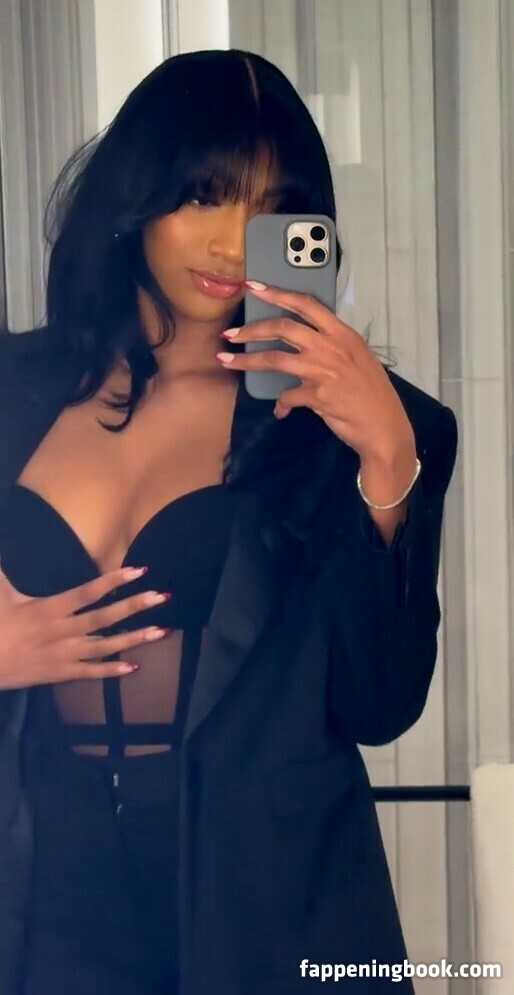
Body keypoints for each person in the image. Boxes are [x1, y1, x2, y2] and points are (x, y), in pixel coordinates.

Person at [0, 49, 457, 995]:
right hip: (44, 910)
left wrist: (386, 460)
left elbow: (379, 703)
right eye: (204, 194)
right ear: (136, 195)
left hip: (270, 919)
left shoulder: (349, 431)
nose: (232, 240)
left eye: (271, 206)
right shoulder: (15, 392)